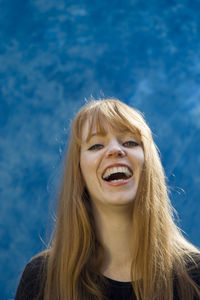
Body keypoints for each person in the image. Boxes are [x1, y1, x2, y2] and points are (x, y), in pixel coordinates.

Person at [15, 98, 200, 300]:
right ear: (79, 173)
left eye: (130, 142)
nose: (115, 150)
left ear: (149, 165)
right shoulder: (41, 279)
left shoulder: (194, 275)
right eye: (95, 145)